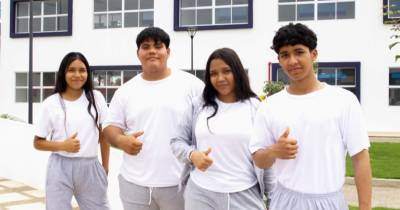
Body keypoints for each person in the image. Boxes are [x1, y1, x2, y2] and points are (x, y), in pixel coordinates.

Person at [250, 23, 372, 210]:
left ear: (313, 54)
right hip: (285, 201)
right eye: (285, 55)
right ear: (279, 60)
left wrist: (365, 207)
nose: (292, 61)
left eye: (299, 52)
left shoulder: (343, 100)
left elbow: (360, 157)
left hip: (329, 201)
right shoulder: (270, 106)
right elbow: (258, 159)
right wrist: (274, 151)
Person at [103, 27, 204, 210]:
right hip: (134, 185)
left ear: (168, 51)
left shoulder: (192, 85)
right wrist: (120, 140)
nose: (152, 51)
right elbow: (110, 126)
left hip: (180, 183)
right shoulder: (126, 90)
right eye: (146, 46)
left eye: (158, 46)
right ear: (138, 53)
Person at [171, 48, 275, 210]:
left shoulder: (255, 107)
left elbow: (266, 158)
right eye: (213, 73)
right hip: (200, 193)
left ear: (237, 72)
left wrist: (273, 197)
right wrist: (192, 155)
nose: (220, 78)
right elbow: (176, 141)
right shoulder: (198, 105)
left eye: (227, 71)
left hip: (244, 193)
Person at [33, 52, 110, 210]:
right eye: (71, 70)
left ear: (87, 73)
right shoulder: (50, 103)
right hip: (59, 168)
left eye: (82, 70)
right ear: (63, 73)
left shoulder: (96, 98)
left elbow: (104, 137)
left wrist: (105, 167)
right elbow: (38, 143)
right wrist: (63, 145)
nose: (77, 75)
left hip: (91, 166)